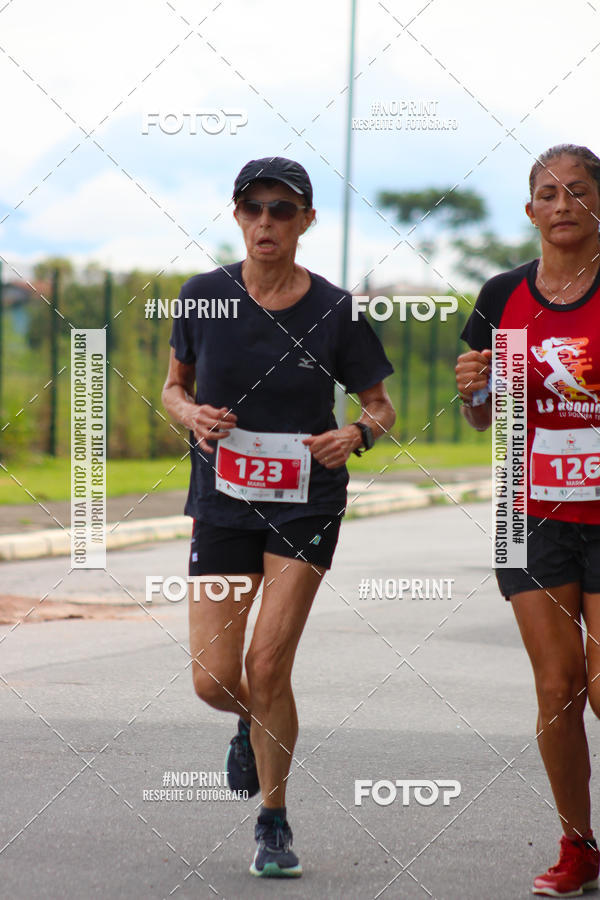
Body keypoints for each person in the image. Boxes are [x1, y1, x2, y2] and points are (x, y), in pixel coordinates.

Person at [162, 156, 395, 878]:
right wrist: (191, 414)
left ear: (306, 221)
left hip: (307, 502)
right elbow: (173, 388)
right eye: (254, 208)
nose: (267, 221)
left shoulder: (336, 310)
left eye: (283, 210)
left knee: (268, 664)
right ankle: (246, 720)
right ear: (237, 216)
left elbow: (380, 407)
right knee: (214, 678)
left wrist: (355, 435)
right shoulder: (203, 296)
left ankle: (273, 819)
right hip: (223, 502)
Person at [456, 143, 600, 897]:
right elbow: (482, 418)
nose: (563, 204)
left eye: (578, 191)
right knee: (557, 689)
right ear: (530, 211)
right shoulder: (501, 295)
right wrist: (473, 389)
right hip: (531, 512)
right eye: (548, 193)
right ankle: (578, 845)